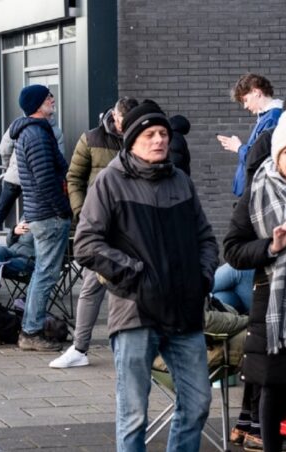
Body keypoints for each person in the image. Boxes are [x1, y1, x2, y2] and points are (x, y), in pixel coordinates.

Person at [75, 100, 218, 451]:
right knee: (133, 414)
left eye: (163, 134)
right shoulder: (110, 182)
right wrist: (138, 275)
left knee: (198, 403)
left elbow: (206, 239)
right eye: (150, 134)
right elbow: (86, 244)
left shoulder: (181, 182)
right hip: (135, 312)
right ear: (132, 140)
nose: (159, 140)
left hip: (185, 312)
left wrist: (201, 277)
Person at [49, 96, 137, 368]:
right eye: (123, 123)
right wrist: (82, 212)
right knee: (91, 285)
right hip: (99, 223)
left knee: (132, 287)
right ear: (115, 116)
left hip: (132, 225)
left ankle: (131, 347)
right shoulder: (91, 138)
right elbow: (73, 178)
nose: (125, 128)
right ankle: (79, 348)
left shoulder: (139, 138)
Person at [224, 108, 286, 452]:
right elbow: (232, 250)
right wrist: (272, 245)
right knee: (273, 387)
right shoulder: (259, 191)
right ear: (279, 152)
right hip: (273, 311)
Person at [10, 85, 71, 352]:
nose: (53, 100)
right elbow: (45, 179)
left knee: (41, 273)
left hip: (42, 213)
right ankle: (31, 332)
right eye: (48, 97)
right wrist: (63, 209)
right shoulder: (35, 135)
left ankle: (31, 328)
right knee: (46, 274)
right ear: (37, 104)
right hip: (48, 215)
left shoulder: (35, 132)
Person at [218, 73, 283, 197]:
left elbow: (259, 159)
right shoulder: (268, 117)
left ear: (256, 92)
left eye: (245, 100)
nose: (245, 106)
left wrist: (238, 147)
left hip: (261, 192)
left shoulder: (272, 118)